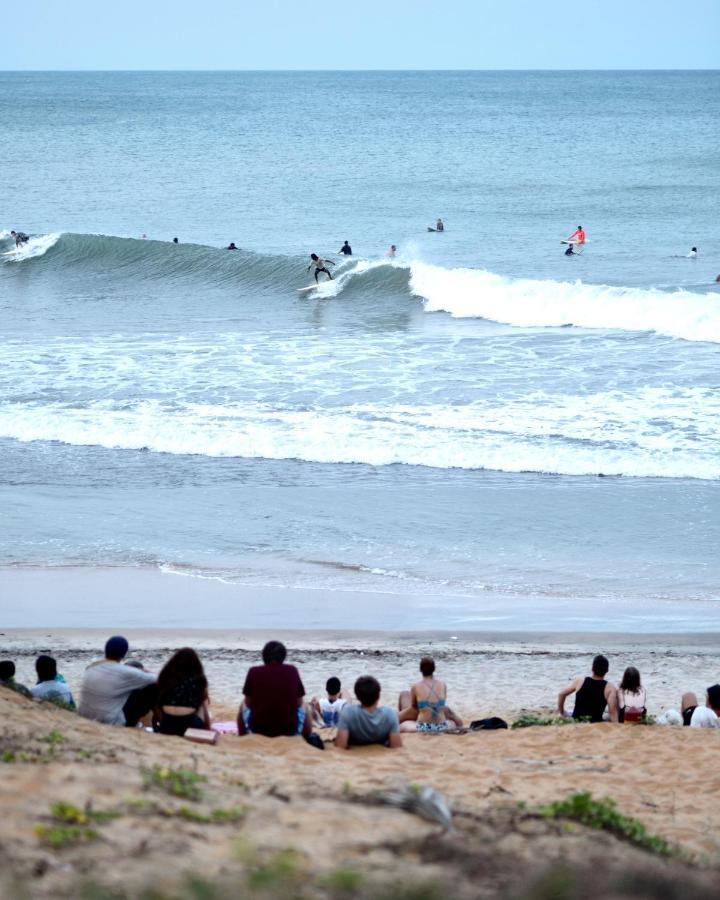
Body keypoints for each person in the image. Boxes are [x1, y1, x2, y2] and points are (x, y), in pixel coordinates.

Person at [78, 636, 157, 727]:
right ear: (124, 654)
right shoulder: (125, 672)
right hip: (111, 722)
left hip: (84, 719)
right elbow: (160, 680)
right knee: (152, 687)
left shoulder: (91, 668)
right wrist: (145, 670)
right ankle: (152, 724)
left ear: (106, 650)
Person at [237, 641, 311, 737]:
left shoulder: (253, 672)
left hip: (258, 730)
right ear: (283, 656)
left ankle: (243, 736)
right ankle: (306, 736)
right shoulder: (292, 670)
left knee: (242, 705)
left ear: (264, 656)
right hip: (289, 731)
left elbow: (248, 703)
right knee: (306, 706)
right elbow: (299, 703)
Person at [155, 648, 210, 736]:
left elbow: (159, 703)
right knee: (203, 703)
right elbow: (204, 700)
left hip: (166, 724)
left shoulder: (165, 676)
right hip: (190, 725)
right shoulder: (199, 678)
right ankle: (206, 729)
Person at [335, 676, 402, 749]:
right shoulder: (390, 714)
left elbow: (340, 747)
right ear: (378, 696)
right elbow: (396, 747)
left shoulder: (348, 713)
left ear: (357, 697)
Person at [398, 656, 460, 732]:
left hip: (424, 727)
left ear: (420, 670)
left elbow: (414, 707)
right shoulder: (443, 685)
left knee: (403, 725)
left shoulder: (415, 686)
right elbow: (441, 705)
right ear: (434, 669)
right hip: (442, 726)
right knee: (452, 723)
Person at [557, 654, 618, 723]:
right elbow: (612, 712)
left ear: (592, 668)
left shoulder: (579, 681)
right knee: (607, 716)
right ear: (607, 670)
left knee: (568, 712)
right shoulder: (610, 688)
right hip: (595, 723)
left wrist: (561, 713)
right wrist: (618, 728)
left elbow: (561, 694)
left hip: (576, 721)